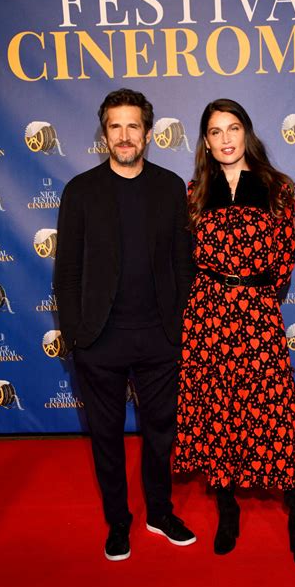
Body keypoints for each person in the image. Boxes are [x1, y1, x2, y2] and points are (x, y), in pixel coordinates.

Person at [173, 98, 295, 569]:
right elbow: (188, 258)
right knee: (219, 410)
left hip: (256, 315)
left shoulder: (277, 188)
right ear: (207, 142)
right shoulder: (196, 191)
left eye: (233, 128)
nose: (226, 139)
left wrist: (252, 296)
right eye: (215, 132)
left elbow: (283, 263)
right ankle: (228, 511)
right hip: (207, 316)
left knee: (274, 412)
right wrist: (215, 298)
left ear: (247, 132)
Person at [54, 88, 196, 561]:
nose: (125, 135)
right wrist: (76, 335)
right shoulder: (80, 191)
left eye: (133, 126)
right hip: (100, 339)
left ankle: (159, 512)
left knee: (162, 434)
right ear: (104, 134)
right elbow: (67, 271)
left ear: (148, 133)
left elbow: (183, 265)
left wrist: (180, 329)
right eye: (115, 126)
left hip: (160, 338)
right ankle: (119, 523)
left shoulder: (171, 187)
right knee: (106, 437)